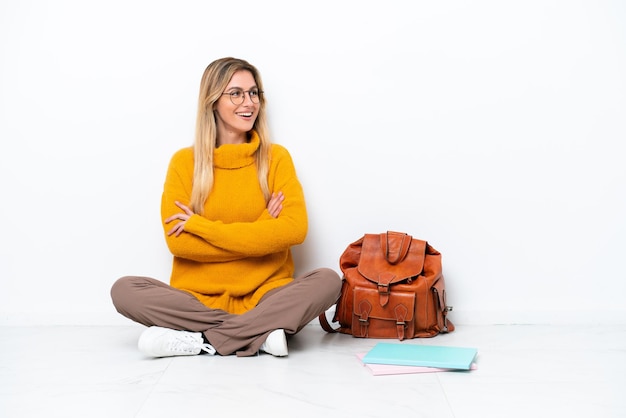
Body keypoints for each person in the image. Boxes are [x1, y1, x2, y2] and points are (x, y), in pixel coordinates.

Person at [111, 57, 342, 358]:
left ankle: (202, 339)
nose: (248, 102)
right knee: (124, 289)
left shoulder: (276, 159)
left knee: (328, 281)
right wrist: (262, 229)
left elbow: (294, 230)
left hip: (265, 295)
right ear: (212, 102)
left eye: (253, 93)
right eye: (236, 93)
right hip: (196, 300)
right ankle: (258, 334)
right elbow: (179, 243)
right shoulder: (184, 163)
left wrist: (201, 226)